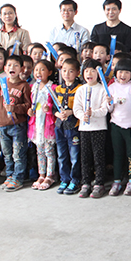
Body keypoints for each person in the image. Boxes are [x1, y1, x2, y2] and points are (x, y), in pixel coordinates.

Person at [72, 59, 111, 199]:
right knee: (85, 157)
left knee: (98, 156)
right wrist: (82, 116)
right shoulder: (81, 89)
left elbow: (105, 110)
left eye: (93, 71)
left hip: (99, 128)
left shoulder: (103, 89)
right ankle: (86, 183)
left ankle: (99, 183)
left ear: (99, 74)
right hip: (84, 129)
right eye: (87, 71)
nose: (89, 74)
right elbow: (76, 108)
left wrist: (92, 113)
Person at [0, 54, 32, 192]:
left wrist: (15, 108)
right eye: (9, 65)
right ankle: (10, 175)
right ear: (5, 68)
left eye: (16, 65)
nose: (12, 68)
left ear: (22, 69)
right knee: (7, 154)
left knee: (18, 154)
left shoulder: (24, 85)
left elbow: (28, 106)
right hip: (2, 124)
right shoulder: (1, 83)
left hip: (17, 125)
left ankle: (18, 177)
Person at [107, 59, 131, 197]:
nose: (123, 75)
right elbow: (110, 110)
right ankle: (117, 181)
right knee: (118, 154)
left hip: (130, 127)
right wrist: (109, 103)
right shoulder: (112, 87)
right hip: (115, 125)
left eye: (127, 72)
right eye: (120, 72)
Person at [27, 59, 58, 191]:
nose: (38, 72)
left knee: (49, 151)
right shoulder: (32, 87)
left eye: (42, 69)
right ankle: (41, 174)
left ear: (50, 72)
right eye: (36, 70)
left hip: (47, 122)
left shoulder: (52, 87)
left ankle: (50, 175)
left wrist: (49, 108)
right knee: (39, 151)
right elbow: (31, 104)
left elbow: (57, 105)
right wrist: (30, 110)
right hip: (36, 123)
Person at [53, 58, 82, 195]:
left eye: (71, 71)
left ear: (77, 72)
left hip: (74, 126)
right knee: (61, 155)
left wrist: (71, 112)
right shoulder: (58, 89)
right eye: (64, 70)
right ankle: (64, 179)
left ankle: (75, 180)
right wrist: (58, 114)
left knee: (74, 155)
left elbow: (82, 107)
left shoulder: (80, 88)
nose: (67, 74)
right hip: (60, 126)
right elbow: (53, 108)